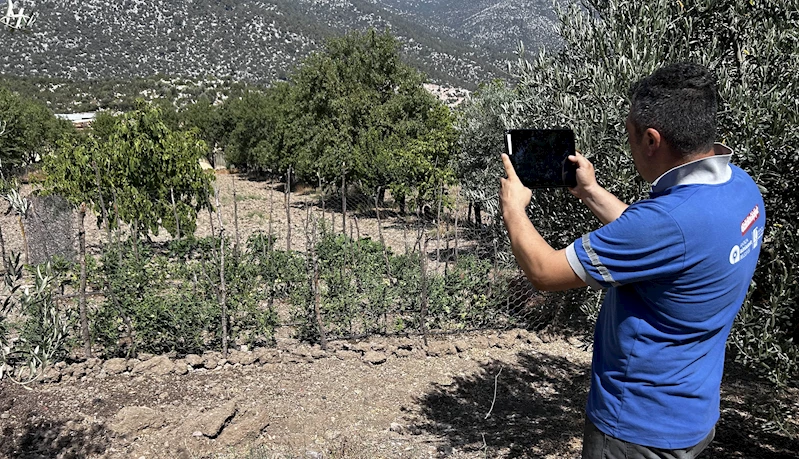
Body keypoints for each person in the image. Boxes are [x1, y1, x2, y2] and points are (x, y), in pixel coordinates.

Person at [499, 62, 765, 458]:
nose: (630, 144)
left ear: (653, 140)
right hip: (693, 412)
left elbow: (544, 272)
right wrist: (590, 192)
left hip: (636, 427)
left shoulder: (668, 223)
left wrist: (513, 209)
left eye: (631, 134)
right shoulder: (741, 189)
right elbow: (666, 244)